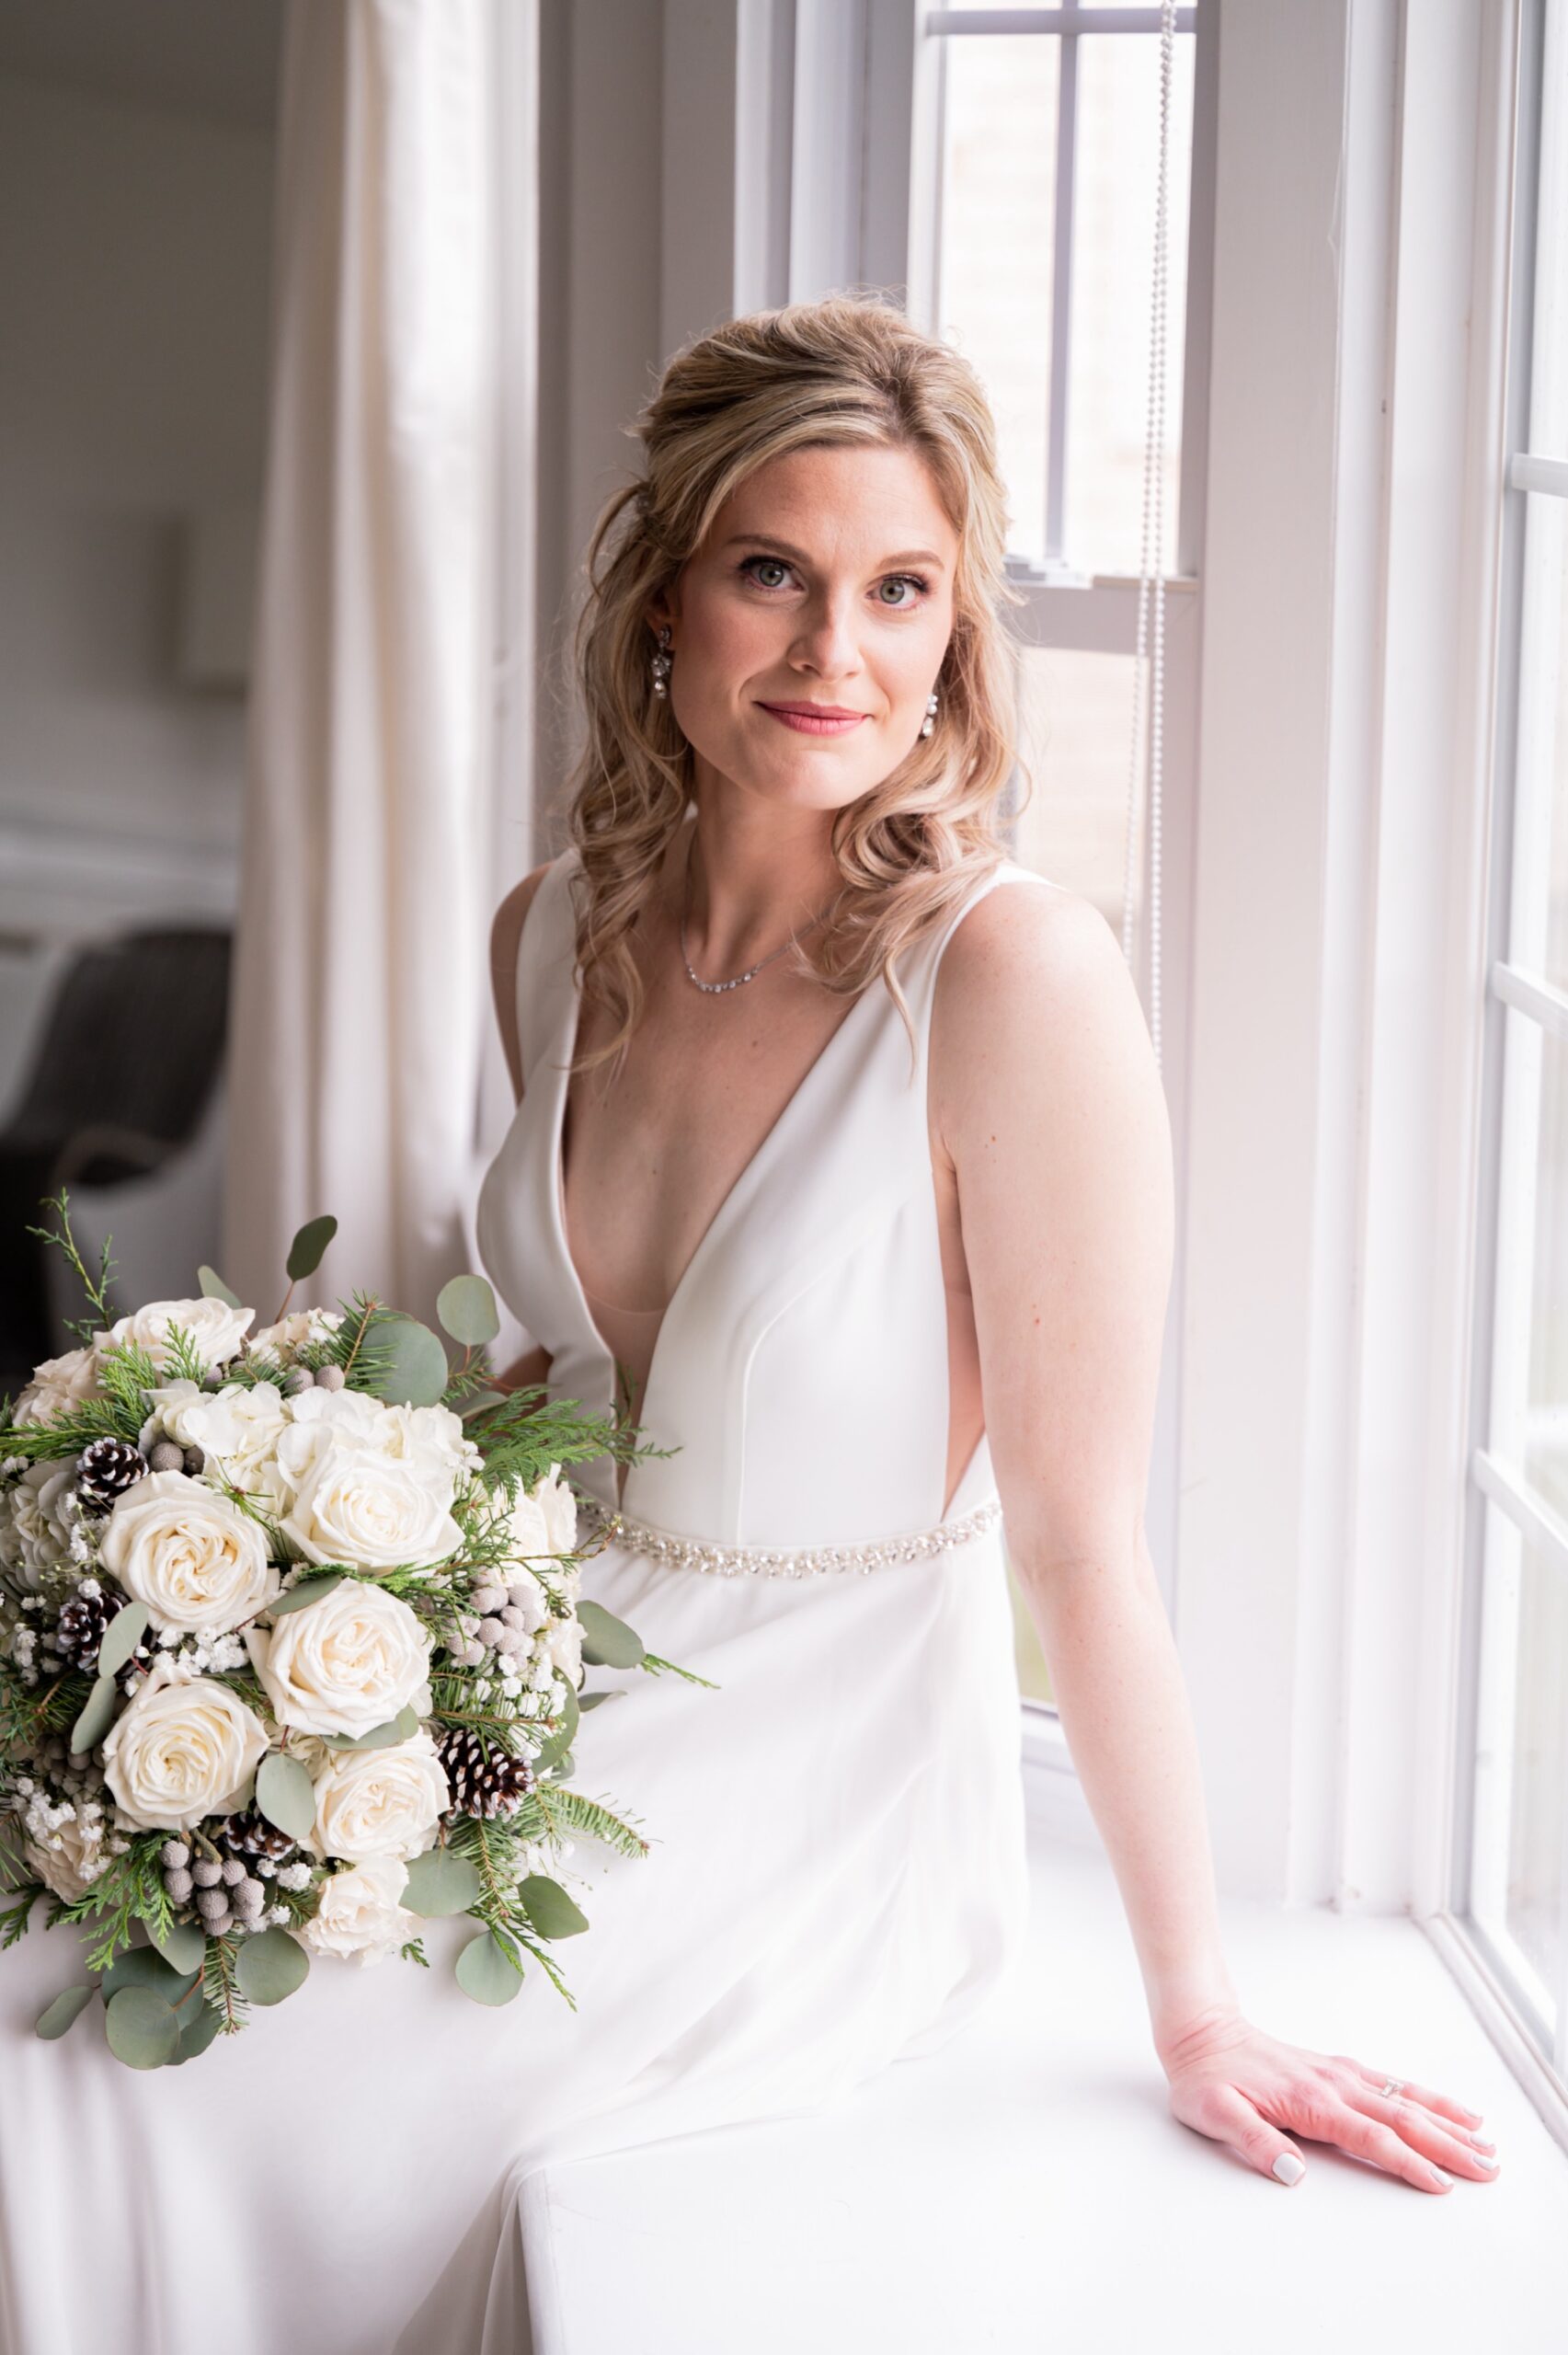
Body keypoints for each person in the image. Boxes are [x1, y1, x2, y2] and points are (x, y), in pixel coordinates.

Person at [0, 295, 1495, 2355]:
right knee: (53, 1954)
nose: (831, 654)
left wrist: (1198, 2000)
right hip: (530, 1703)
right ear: (663, 594)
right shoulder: (553, 931)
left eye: (902, 590)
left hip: (805, 1800)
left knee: (80, 2086)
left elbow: (1080, 1540)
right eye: (771, 573)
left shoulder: (1009, 978)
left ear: (960, 638)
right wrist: (287, 1583)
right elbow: (549, 1394)